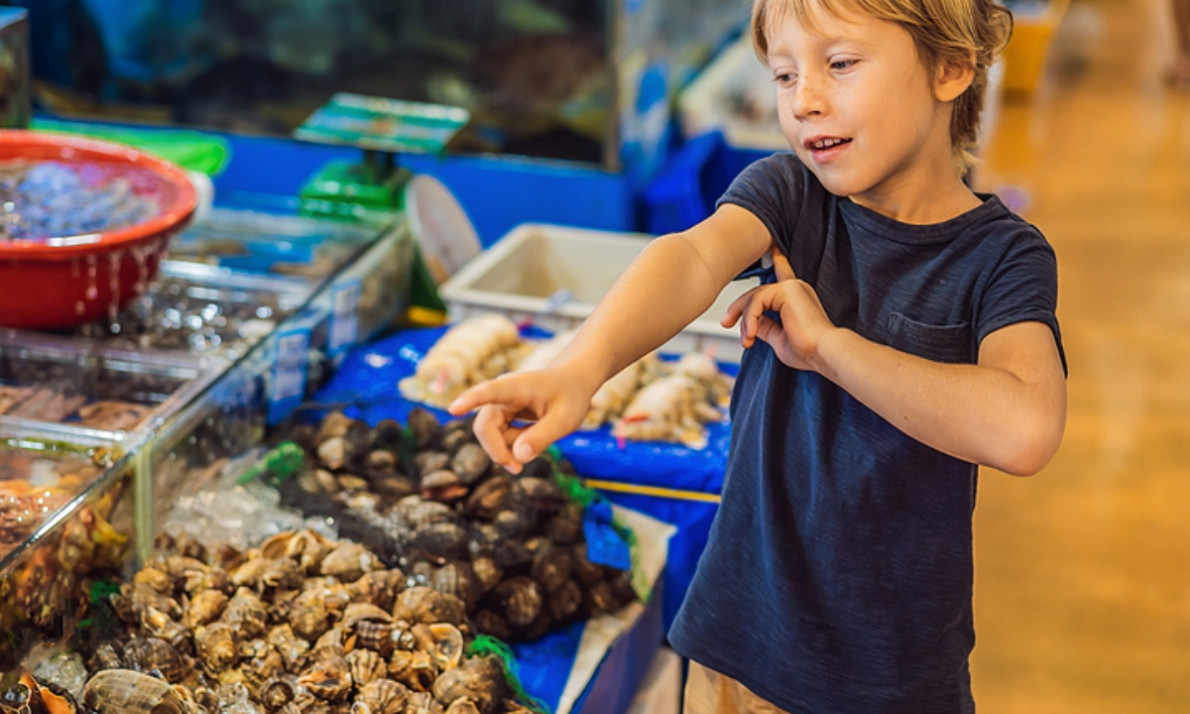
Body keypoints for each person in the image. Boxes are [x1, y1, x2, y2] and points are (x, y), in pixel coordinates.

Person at [448, 0, 1068, 709]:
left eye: (840, 64)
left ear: (950, 67)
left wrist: (830, 350)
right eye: (782, 75)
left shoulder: (1000, 257)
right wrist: (578, 368)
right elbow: (688, 258)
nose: (804, 100)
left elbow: (1024, 428)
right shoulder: (792, 194)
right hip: (732, 653)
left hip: (890, 683)